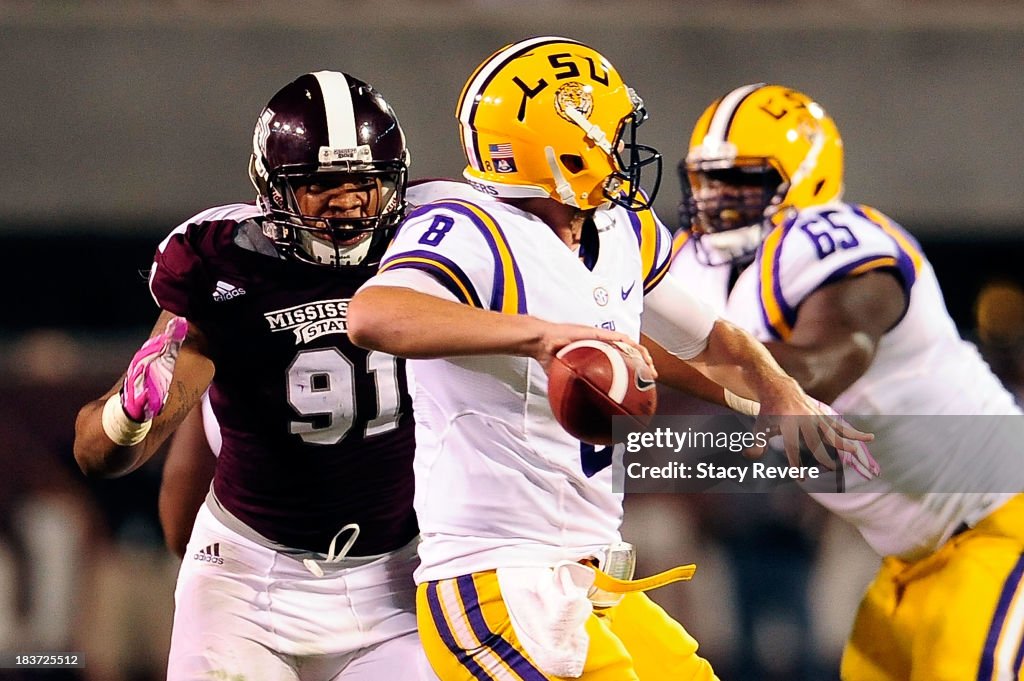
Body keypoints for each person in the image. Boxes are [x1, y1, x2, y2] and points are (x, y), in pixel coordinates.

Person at [345, 37, 872, 681]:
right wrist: (539, 336)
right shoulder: (468, 226)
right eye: (612, 131)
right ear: (565, 144)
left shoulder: (620, 226)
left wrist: (775, 394)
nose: (624, 147)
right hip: (494, 578)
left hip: (592, 573)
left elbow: (707, 340)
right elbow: (373, 316)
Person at [73, 70, 441, 680]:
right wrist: (129, 418)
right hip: (250, 579)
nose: (348, 201)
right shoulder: (226, 266)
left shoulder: (437, 242)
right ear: (274, 188)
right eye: (321, 183)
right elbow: (99, 458)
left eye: (365, 182)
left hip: (401, 576)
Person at [668, 82, 1024, 681]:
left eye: (743, 181)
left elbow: (818, 366)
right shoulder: (695, 265)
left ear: (803, 180)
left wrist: (654, 355)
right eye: (707, 180)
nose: (717, 199)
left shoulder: (839, 242)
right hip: (908, 567)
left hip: (1000, 532)